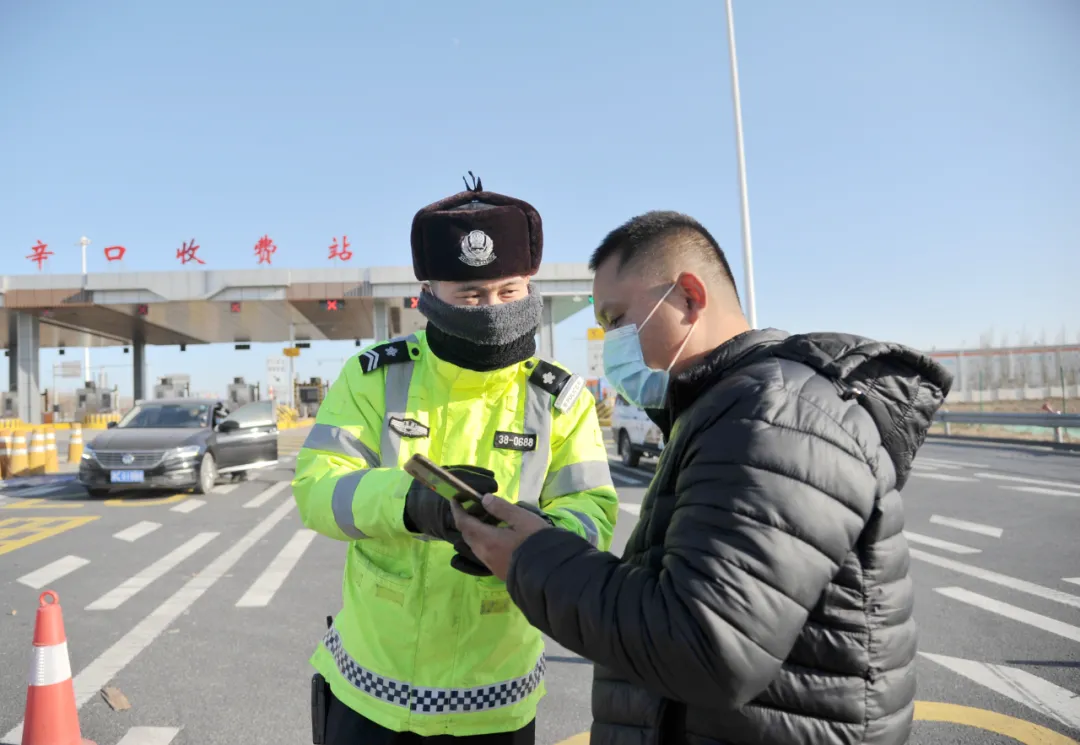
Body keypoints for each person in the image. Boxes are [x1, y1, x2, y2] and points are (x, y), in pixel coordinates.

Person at [451, 211, 954, 745]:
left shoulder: (771, 418)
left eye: (618, 319)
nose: (611, 344)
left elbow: (707, 648)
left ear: (689, 297)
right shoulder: (728, 408)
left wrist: (532, 559)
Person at [291, 175, 619, 745]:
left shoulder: (559, 397)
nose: (492, 308)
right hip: (368, 696)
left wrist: (536, 540)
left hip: (496, 702)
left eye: (508, 291)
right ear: (429, 294)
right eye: (470, 295)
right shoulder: (374, 377)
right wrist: (411, 505)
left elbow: (592, 510)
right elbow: (316, 489)